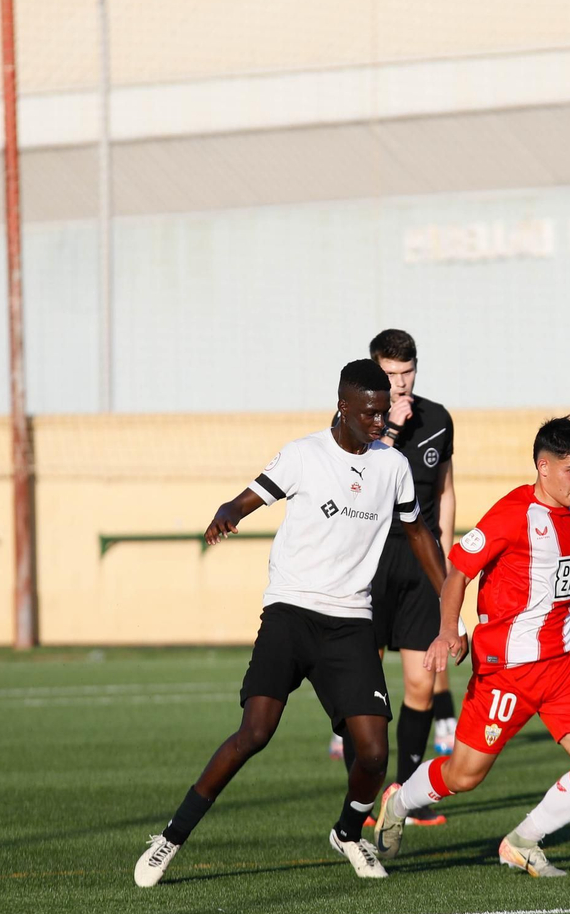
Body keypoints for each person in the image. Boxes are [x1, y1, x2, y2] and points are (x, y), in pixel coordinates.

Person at [134, 360, 454, 886]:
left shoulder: (392, 465)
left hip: (351, 619)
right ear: (344, 405)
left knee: (374, 752)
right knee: (254, 733)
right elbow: (249, 496)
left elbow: (419, 533)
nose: (380, 422)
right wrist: (229, 512)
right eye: (370, 413)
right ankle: (170, 838)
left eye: (383, 413)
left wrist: (449, 602)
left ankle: (349, 833)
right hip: (290, 613)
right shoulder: (303, 455)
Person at [372, 417, 570, 878]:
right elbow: (458, 570)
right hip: (506, 672)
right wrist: (447, 630)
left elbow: (563, 560)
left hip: (562, 667)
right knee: (464, 776)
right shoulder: (512, 513)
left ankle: (522, 841)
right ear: (543, 466)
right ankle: (399, 800)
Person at [327, 330, 458, 830]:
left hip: (421, 560)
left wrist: (444, 561)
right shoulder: (353, 420)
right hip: (368, 558)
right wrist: (389, 434)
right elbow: (348, 481)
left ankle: (405, 797)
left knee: (422, 682)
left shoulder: (439, 418)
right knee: (363, 679)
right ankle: (359, 801)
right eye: (390, 375)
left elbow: (445, 489)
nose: (400, 385)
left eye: (407, 373)